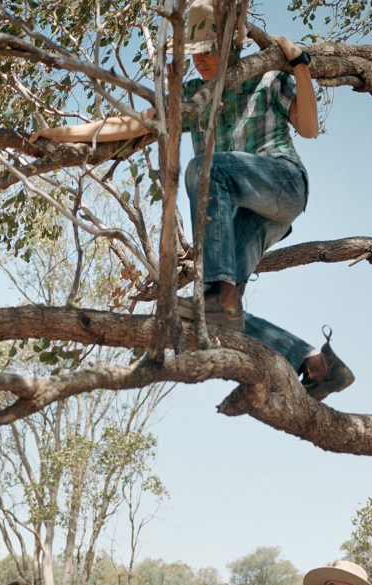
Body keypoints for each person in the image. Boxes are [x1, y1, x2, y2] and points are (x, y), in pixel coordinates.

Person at [32, 0, 353, 400]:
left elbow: (308, 129)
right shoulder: (193, 96)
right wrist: (63, 134)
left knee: (204, 169)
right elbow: (133, 122)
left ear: (230, 45)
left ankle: (219, 295)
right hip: (251, 214)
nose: (200, 62)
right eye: (193, 55)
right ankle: (316, 365)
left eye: (209, 52)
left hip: (282, 184)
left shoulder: (265, 78)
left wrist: (300, 65)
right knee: (218, 318)